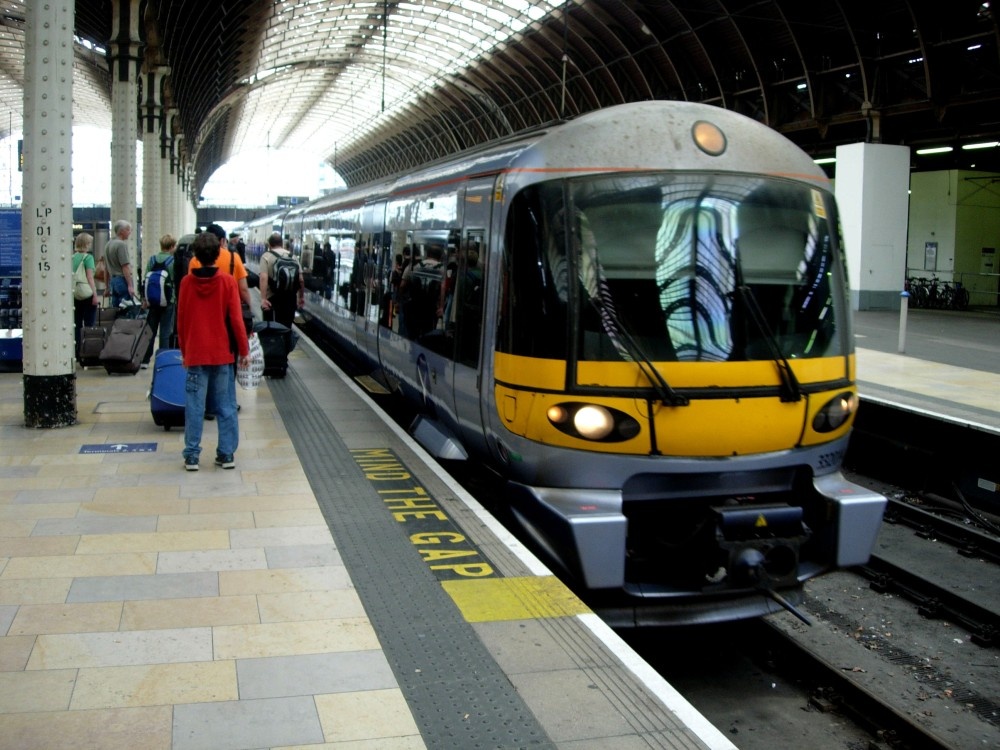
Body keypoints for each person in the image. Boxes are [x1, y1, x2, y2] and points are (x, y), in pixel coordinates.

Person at [176, 232, 250, 472]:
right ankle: (226, 454)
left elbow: (182, 319)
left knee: (195, 406)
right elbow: (237, 320)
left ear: (195, 255)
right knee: (226, 405)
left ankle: (192, 456)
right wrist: (244, 351)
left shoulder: (186, 283)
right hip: (222, 354)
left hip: (196, 353)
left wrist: (184, 350)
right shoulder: (227, 282)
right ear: (219, 253)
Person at [141, 234, 178, 368]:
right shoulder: (173, 261)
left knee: (151, 330)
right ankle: (163, 359)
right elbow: (175, 280)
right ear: (172, 246)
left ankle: (145, 360)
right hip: (169, 300)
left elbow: (145, 279)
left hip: (152, 300)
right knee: (165, 331)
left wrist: (144, 299)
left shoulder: (151, 260)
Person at [259, 231, 304, 329]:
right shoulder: (293, 257)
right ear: (282, 244)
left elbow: (263, 278)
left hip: (272, 299)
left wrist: (263, 299)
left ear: (270, 245)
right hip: (290, 299)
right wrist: (301, 297)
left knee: (271, 329)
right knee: (286, 328)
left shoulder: (266, 256)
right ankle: (286, 343)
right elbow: (301, 280)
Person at [71, 232, 99, 363]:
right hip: (86, 293)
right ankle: (87, 352)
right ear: (86, 244)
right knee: (89, 324)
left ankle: (76, 351)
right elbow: (89, 277)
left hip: (75, 293)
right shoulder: (88, 258)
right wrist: (95, 294)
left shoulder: (72, 258)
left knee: (76, 324)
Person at [103, 220, 135, 308]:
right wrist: (130, 285)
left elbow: (106, 268)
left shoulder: (108, 244)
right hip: (122, 280)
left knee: (115, 308)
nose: (130, 232)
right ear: (122, 231)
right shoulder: (121, 245)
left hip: (113, 281)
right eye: (128, 230)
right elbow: (125, 266)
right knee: (127, 309)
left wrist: (106, 287)